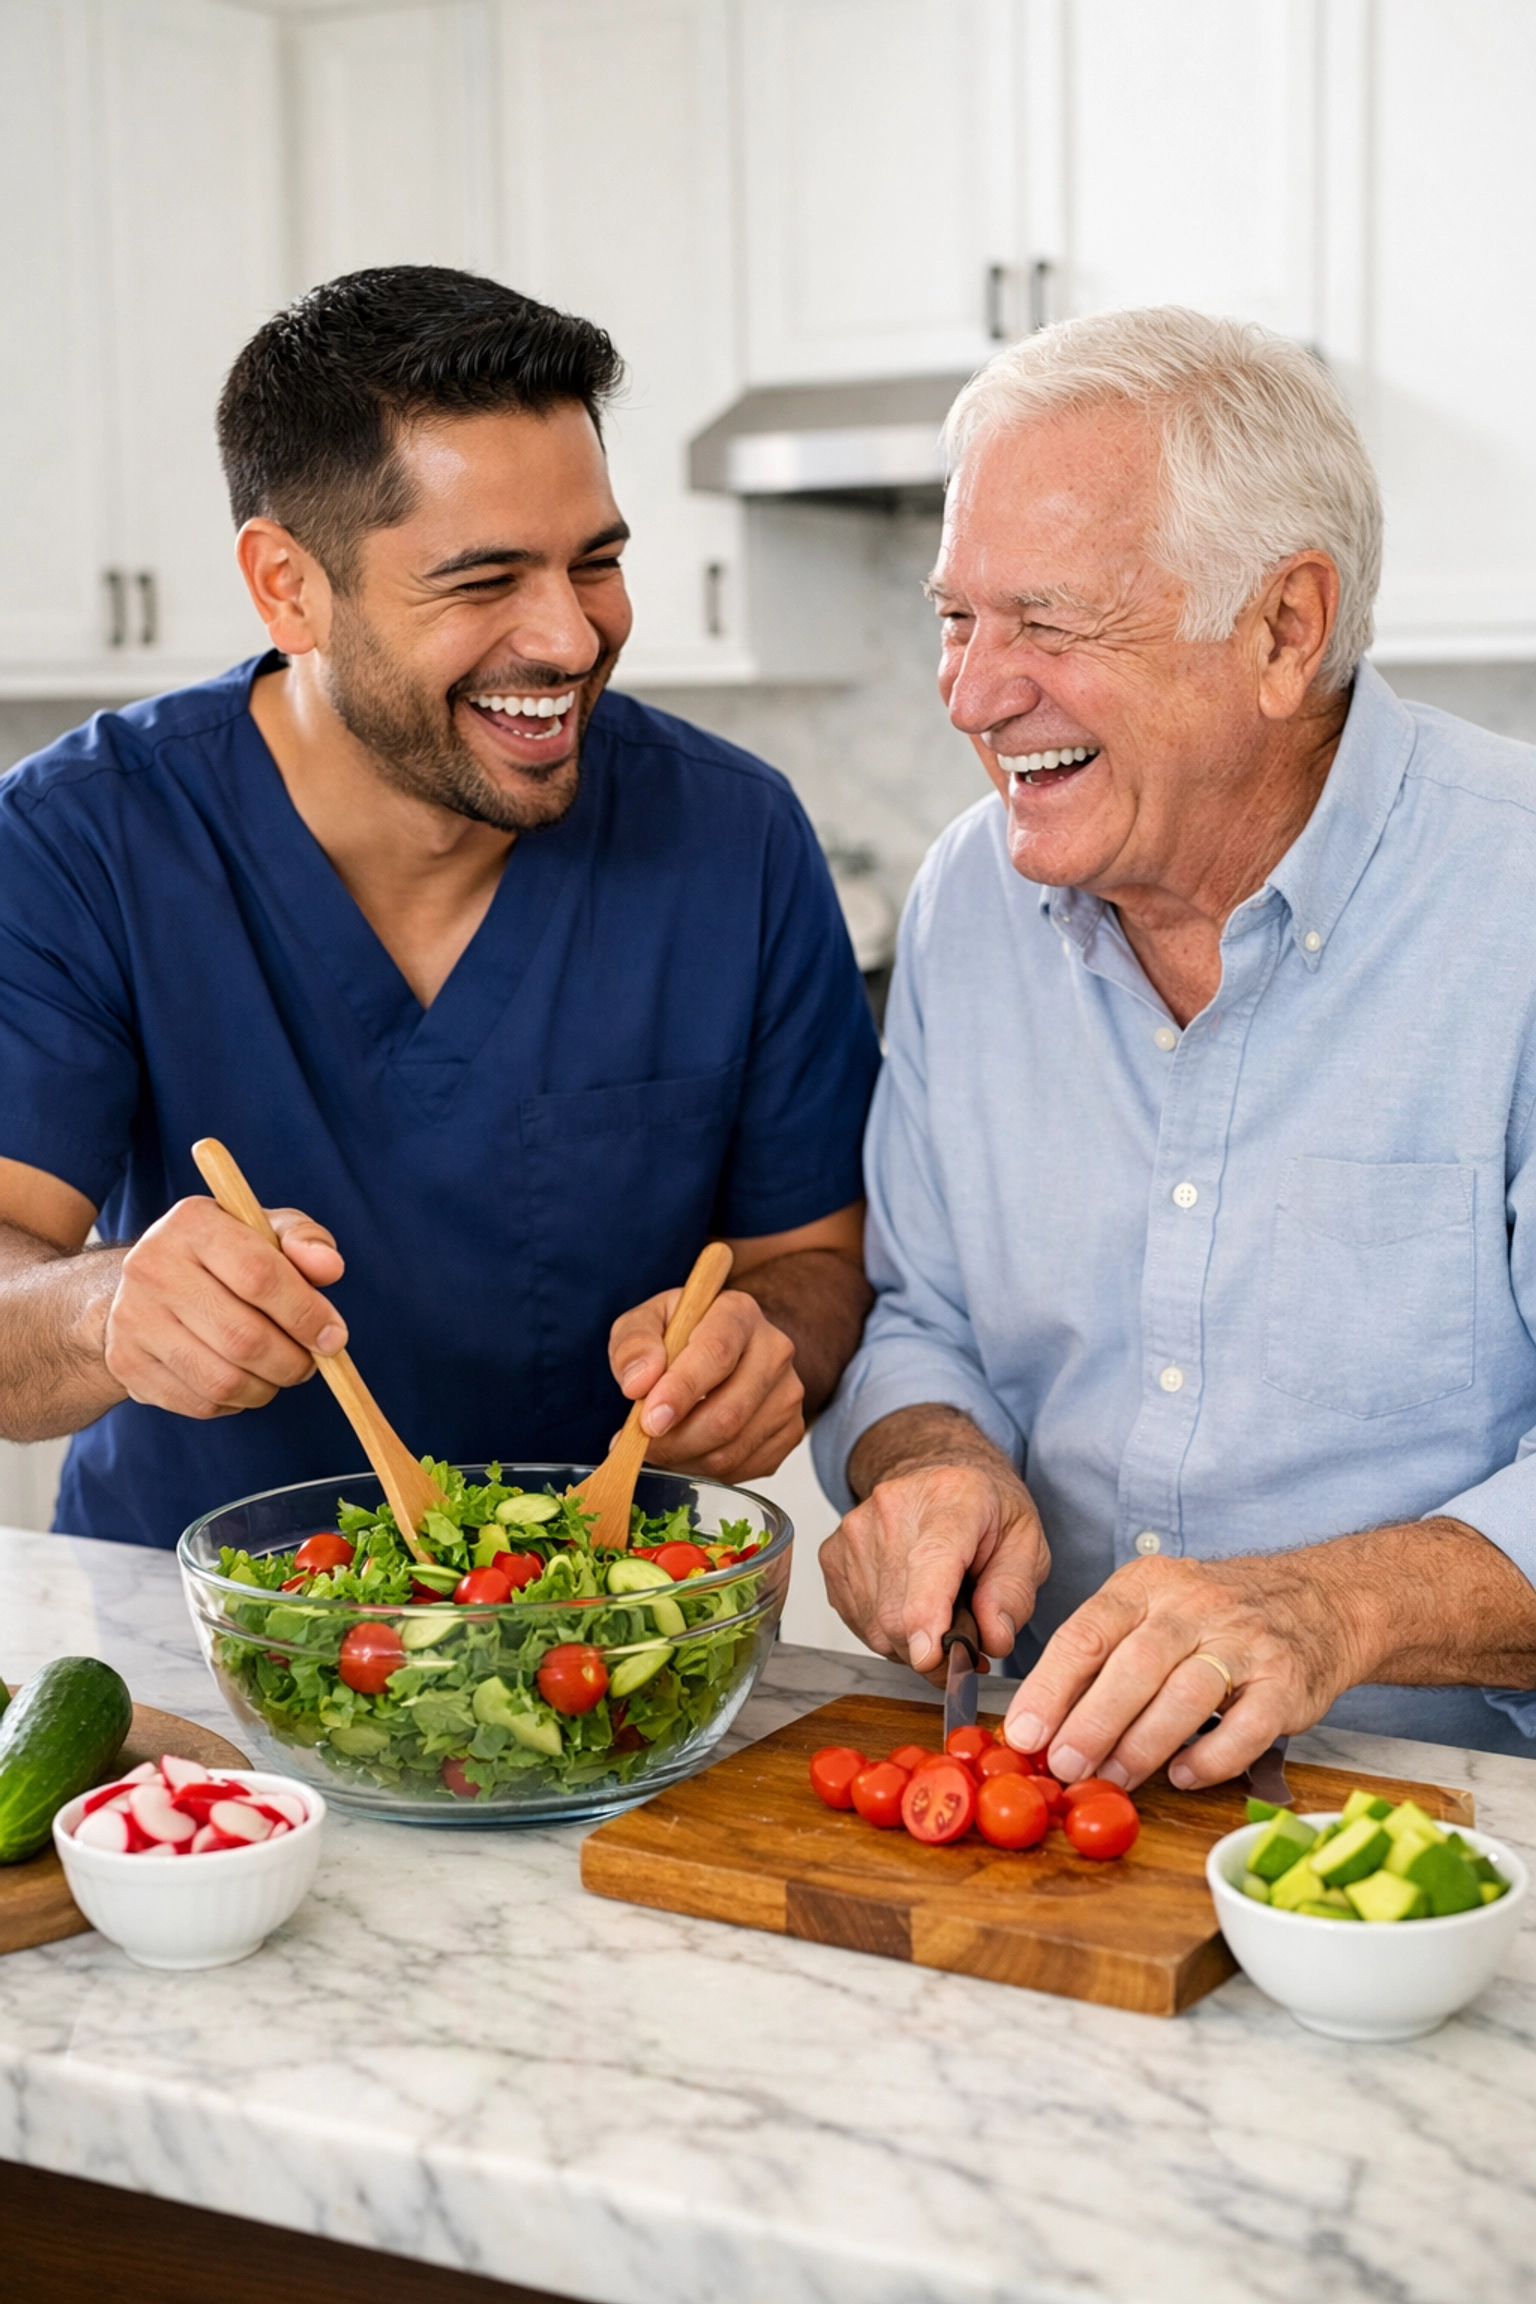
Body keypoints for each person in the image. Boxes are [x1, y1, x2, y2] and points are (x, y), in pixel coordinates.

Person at [0, 265, 879, 1549]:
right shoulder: (80, 839)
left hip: (602, 1635)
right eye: (483, 582)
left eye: (598, 562)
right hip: (192, 1643)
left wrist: (774, 1344)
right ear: (287, 586)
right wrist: (104, 1310)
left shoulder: (734, 837)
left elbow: (814, 1258)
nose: (571, 639)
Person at [813, 305, 1536, 1780]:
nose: (971, 694)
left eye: (1049, 623)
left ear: (1285, 627)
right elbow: (920, 1321)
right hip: (1044, 1799)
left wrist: (1328, 1610)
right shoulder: (968, 893)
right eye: (959, 619)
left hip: (1450, 1835)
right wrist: (930, 1457)